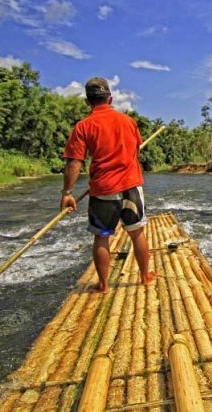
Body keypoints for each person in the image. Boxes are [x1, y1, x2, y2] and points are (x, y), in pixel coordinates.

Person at [60, 77, 156, 291]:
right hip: (132, 187)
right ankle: (145, 275)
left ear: (88, 102)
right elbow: (136, 149)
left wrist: (67, 192)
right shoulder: (129, 122)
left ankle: (103, 284)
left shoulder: (83, 126)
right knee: (137, 232)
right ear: (110, 98)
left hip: (103, 191)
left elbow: (74, 161)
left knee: (102, 237)